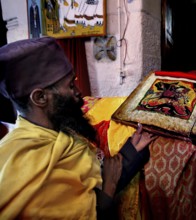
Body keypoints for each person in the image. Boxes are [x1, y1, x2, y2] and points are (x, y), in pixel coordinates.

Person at [0, 37, 157, 219]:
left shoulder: (58, 129)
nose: (79, 92)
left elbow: (93, 180)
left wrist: (130, 153)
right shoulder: (23, 163)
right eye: (71, 85)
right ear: (40, 98)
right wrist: (109, 189)